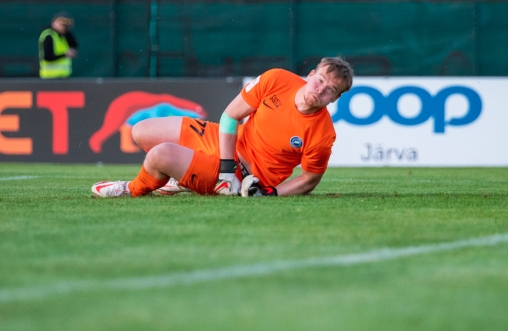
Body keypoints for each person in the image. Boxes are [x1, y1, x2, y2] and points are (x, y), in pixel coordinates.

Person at [91, 57, 353, 198]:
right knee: (141, 131)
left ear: (335, 99)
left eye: (330, 90)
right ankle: (186, 180)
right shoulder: (277, 79)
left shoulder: (323, 134)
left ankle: (131, 189)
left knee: (159, 155)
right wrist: (227, 168)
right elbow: (230, 117)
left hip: (246, 176)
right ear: (310, 75)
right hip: (225, 145)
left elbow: (309, 179)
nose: (320, 90)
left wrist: (268, 193)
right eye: (319, 80)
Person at [39, 12, 78, 79]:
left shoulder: (63, 35)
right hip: (49, 77)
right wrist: (65, 55)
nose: (63, 27)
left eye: (66, 26)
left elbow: (74, 44)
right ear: (55, 22)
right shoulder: (49, 35)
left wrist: (67, 30)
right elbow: (47, 57)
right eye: (62, 25)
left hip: (63, 77)